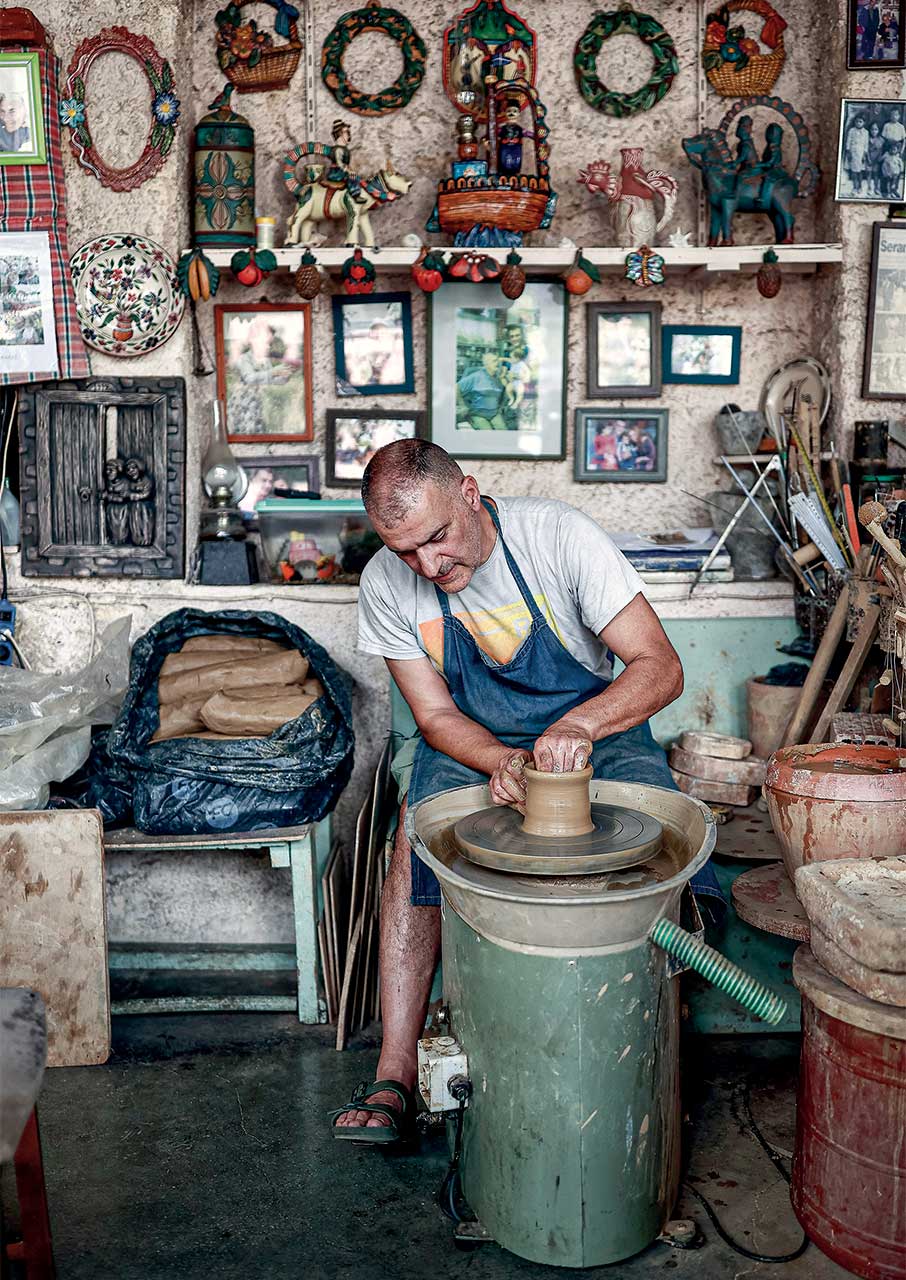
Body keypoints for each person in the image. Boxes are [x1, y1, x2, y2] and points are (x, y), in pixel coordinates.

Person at [330, 440, 724, 1141]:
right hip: (477, 738)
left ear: (470, 494)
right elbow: (436, 716)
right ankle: (394, 1072)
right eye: (405, 551)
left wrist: (581, 724)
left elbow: (659, 668)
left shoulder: (557, 537)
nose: (428, 566)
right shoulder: (384, 585)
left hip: (599, 728)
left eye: (437, 539)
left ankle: (654, 1045)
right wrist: (499, 763)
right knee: (416, 842)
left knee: (672, 842)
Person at [456, 350, 508, 430]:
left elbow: (503, 394)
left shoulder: (498, 378)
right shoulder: (477, 376)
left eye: (498, 360)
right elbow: (456, 387)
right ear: (486, 364)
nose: (497, 363)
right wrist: (463, 405)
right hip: (478, 414)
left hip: (494, 414)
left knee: (504, 433)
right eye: (494, 361)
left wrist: (500, 407)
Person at [844, 114, 870, 195]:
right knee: (854, 171)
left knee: (860, 171)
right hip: (853, 152)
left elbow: (866, 144)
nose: (858, 123)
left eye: (860, 122)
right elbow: (848, 142)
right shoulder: (852, 131)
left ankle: (860, 187)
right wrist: (848, 153)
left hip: (861, 153)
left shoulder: (866, 132)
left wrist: (864, 155)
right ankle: (855, 187)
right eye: (857, 121)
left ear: (864, 123)